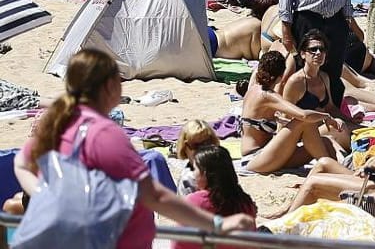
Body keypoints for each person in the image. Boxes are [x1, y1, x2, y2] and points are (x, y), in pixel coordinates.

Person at [17, 48, 257, 248]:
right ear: (110, 86)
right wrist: (217, 225)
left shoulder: (59, 121)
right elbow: (155, 196)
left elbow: (22, 163)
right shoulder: (103, 134)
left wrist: (44, 194)